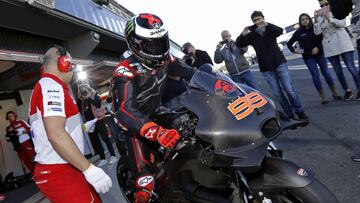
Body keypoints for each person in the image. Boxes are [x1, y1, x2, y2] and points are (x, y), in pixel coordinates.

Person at [112, 13, 195, 203]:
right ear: (135, 44)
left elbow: (190, 73)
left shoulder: (167, 59)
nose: (158, 49)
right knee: (144, 183)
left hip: (158, 112)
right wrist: (155, 132)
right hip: (134, 126)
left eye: (161, 41)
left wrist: (218, 85)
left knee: (197, 131)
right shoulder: (124, 70)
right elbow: (125, 111)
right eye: (151, 44)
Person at [29, 45, 112, 202]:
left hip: (64, 165)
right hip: (60, 168)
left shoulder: (46, 87)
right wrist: (88, 169)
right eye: (71, 65)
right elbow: (55, 134)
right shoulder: (51, 87)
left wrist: (81, 129)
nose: (73, 70)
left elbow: (50, 130)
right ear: (64, 63)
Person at [236, 11, 308, 120]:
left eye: (259, 19)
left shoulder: (270, 29)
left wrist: (267, 24)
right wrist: (242, 34)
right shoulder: (252, 34)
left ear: (263, 18)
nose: (257, 22)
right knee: (278, 94)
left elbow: (280, 31)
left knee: (289, 90)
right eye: (255, 20)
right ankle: (289, 114)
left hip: (279, 63)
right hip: (266, 69)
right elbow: (239, 44)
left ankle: (300, 111)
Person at [287, 13, 341, 104]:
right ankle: (322, 97)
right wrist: (295, 51)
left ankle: (334, 93)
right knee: (315, 75)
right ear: (300, 22)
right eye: (302, 19)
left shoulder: (316, 28)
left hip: (320, 54)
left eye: (306, 19)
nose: (305, 21)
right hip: (308, 57)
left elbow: (322, 39)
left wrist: (318, 48)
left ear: (309, 19)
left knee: (326, 73)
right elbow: (289, 44)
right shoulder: (298, 32)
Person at [314, 0, 360, 100]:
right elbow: (317, 32)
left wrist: (330, 18)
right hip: (330, 46)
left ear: (330, 4)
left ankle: (359, 89)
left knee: (351, 67)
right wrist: (316, 20)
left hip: (343, 42)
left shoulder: (337, 11)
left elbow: (343, 23)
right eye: (322, 5)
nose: (324, 6)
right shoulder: (320, 17)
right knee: (338, 71)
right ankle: (347, 91)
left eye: (326, 4)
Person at [78, 82, 118, 166]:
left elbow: (98, 104)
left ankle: (113, 156)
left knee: (105, 138)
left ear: (87, 89)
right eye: (82, 93)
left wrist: (90, 98)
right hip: (90, 123)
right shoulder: (82, 100)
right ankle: (103, 158)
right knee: (96, 142)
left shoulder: (94, 95)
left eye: (84, 92)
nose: (83, 94)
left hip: (99, 119)